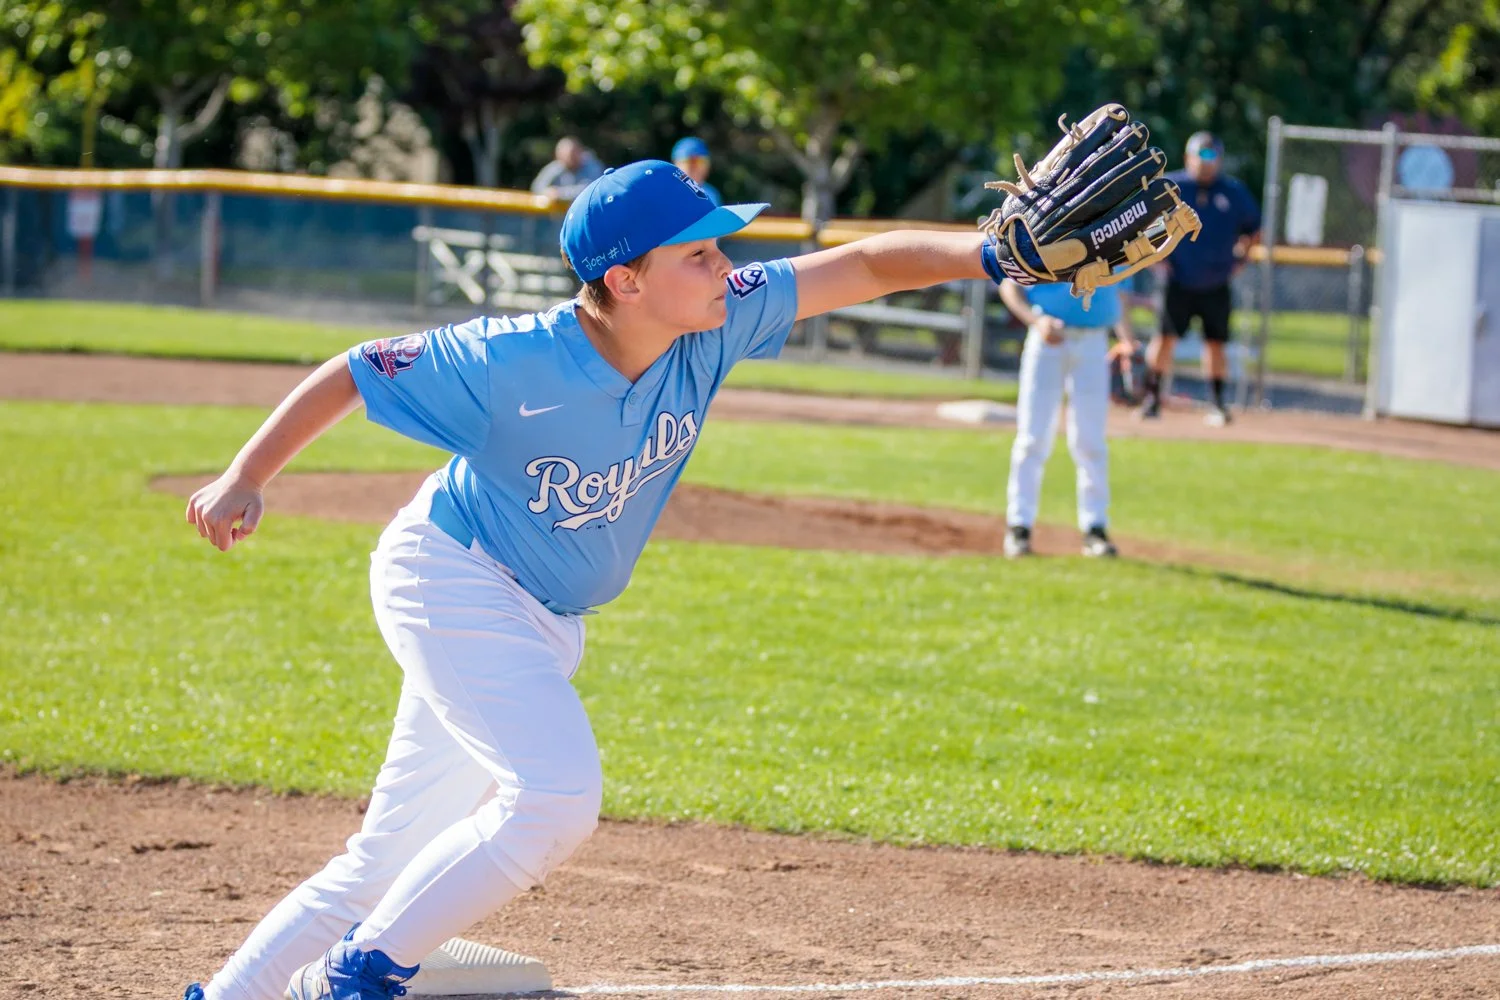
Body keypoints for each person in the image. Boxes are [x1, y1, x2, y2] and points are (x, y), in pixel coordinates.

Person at [180, 159, 1034, 1000]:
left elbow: (866, 266)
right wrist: (245, 475)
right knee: (555, 797)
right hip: (451, 578)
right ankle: (359, 976)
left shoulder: (716, 322)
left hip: (541, 616)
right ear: (626, 281)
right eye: (698, 254)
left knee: (387, 862)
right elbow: (358, 369)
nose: (726, 268)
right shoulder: (511, 359)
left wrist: (990, 254)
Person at [997, 277, 1136, 559]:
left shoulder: (1113, 246)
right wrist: (1035, 320)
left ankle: (1095, 527)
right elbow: (1008, 284)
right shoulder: (1046, 244)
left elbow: (1119, 294)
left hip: (1095, 341)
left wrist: (1128, 342)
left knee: (1091, 441)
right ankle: (1019, 526)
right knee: (1032, 437)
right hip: (1047, 338)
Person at [1137, 131, 1261, 426]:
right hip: (1177, 280)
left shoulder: (1233, 192)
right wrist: (1156, 257)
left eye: (1212, 155)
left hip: (1216, 282)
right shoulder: (1172, 187)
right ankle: (1152, 399)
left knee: (1215, 343)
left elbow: (1254, 229)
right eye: (1201, 155)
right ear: (1187, 157)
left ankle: (1217, 403)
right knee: (1164, 338)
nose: (1206, 162)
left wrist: (1241, 260)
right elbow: (1144, 223)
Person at [529, 136, 605, 202]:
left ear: (580, 152)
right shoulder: (557, 166)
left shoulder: (592, 166)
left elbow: (589, 191)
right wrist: (547, 192)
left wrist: (559, 194)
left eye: (572, 155)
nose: (568, 159)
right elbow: (536, 187)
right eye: (564, 156)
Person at [670, 136, 722, 206]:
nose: (695, 168)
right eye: (688, 162)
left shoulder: (711, 194)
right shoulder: (666, 192)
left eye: (701, 161)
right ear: (675, 164)